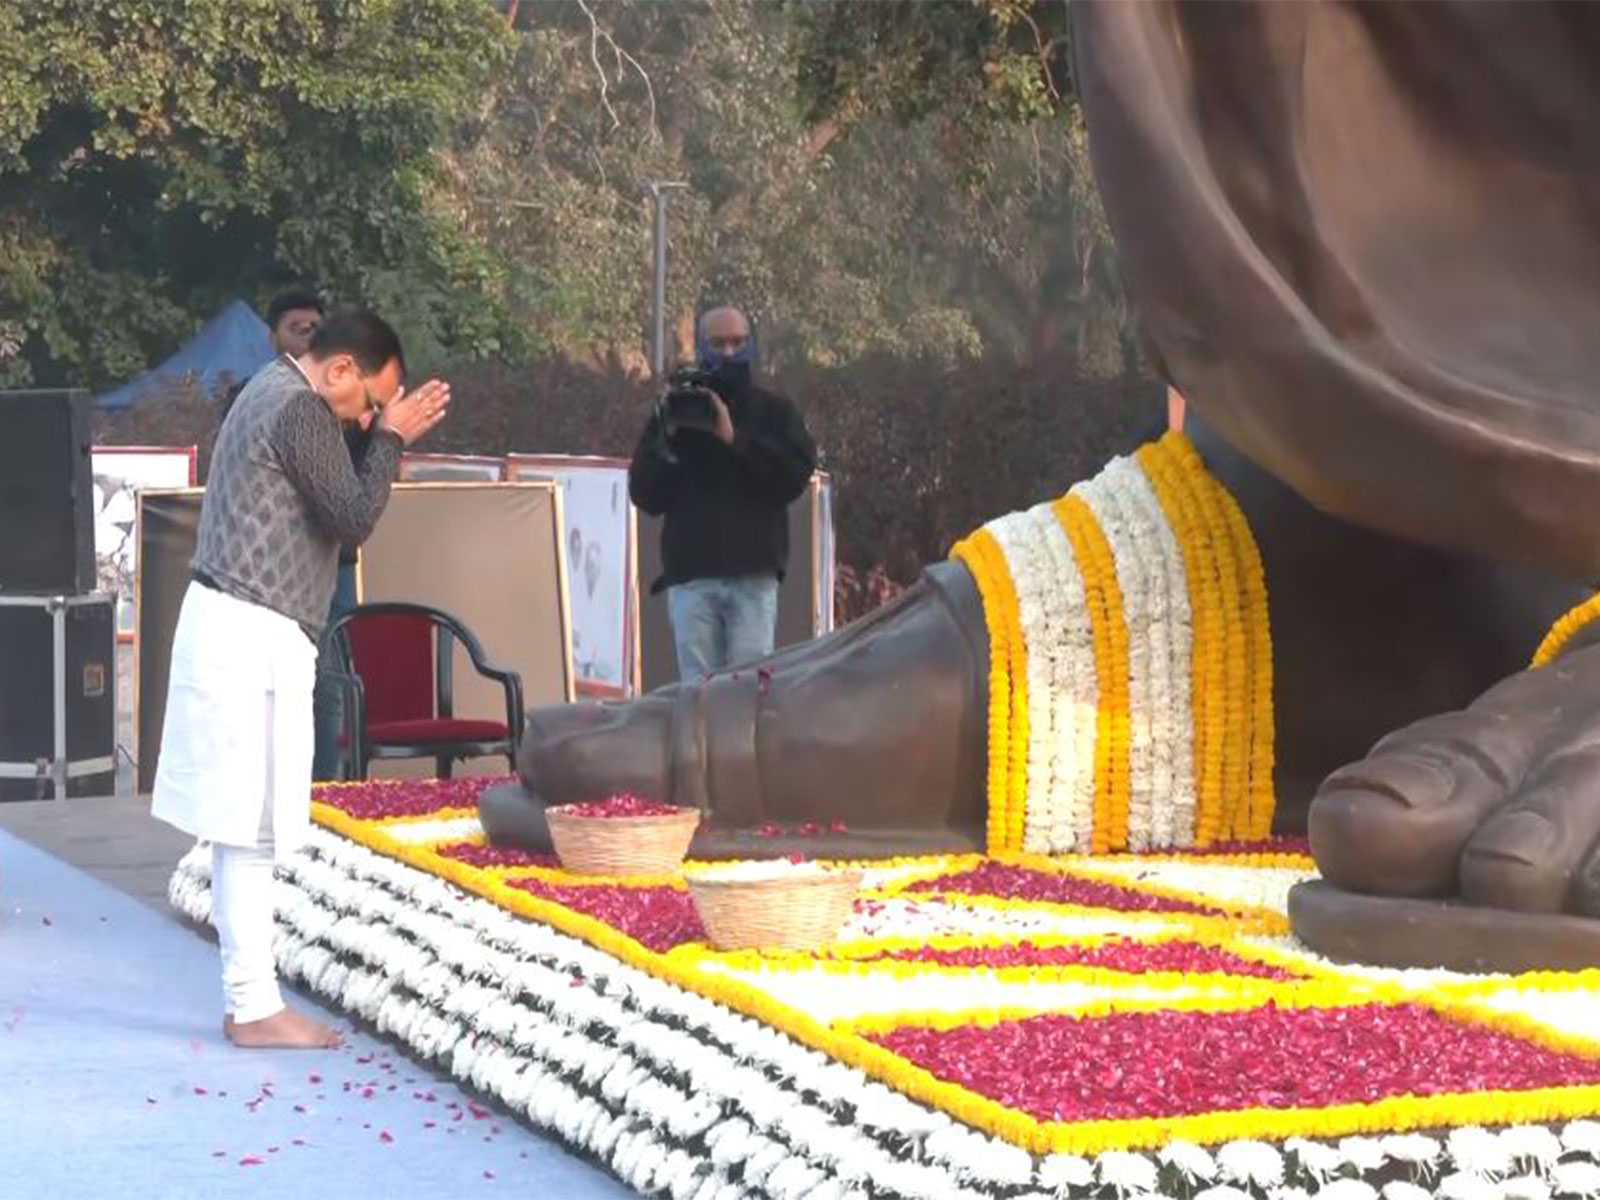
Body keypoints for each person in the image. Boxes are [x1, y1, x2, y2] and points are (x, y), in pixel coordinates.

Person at [153, 310, 450, 1048]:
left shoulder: (272, 390)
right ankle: (253, 1006)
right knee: (247, 829)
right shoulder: (299, 407)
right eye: (368, 400)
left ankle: (252, 1001)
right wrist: (391, 442)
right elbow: (352, 516)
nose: (366, 417)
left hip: (244, 625)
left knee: (245, 827)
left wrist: (376, 434)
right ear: (341, 368)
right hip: (249, 630)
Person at [628, 306, 817, 680]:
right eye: (718, 344)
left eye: (738, 342)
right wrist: (669, 441)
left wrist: (735, 439)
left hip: (752, 576)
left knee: (746, 694)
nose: (729, 353)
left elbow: (791, 479)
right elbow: (645, 494)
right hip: (692, 577)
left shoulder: (774, 412)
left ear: (752, 344)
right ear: (700, 347)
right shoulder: (677, 411)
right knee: (698, 697)